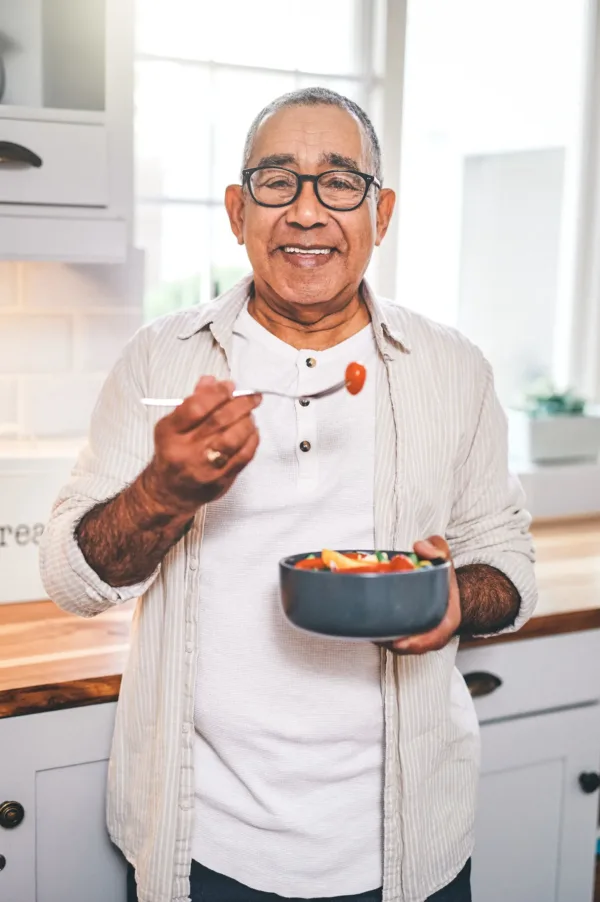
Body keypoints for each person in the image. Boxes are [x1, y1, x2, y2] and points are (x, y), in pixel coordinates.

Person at [40, 87, 537, 902]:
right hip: (200, 845)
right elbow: (70, 580)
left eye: (339, 182)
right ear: (238, 211)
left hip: (408, 848)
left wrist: (452, 599)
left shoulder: (453, 369)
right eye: (278, 181)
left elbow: (510, 568)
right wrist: (162, 493)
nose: (307, 211)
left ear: (383, 212)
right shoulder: (161, 362)